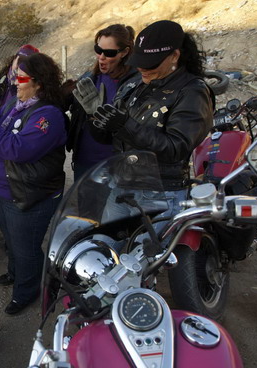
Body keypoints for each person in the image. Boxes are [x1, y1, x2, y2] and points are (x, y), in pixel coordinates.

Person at [0, 53, 67, 315]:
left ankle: (27, 291)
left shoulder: (48, 115)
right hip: (2, 188)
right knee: (12, 242)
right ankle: (16, 273)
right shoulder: (15, 105)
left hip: (27, 194)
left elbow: (18, 149)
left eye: (21, 78)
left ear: (39, 83)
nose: (15, 82)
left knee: (27, 248)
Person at [90, 20, 214, 221]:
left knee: (148, 252)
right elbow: (110, 139)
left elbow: (176, 147)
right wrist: (97, 117)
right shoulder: (134, 84)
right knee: (104, 246)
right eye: (139, 61)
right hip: (121, 187)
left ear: (174, 55)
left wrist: (125, 125)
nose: (142, 68)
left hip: (160, 194)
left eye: (151, 63)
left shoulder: (192, 92)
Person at [0, 44, 39, 256]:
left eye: (25, 65)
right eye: (18, 61)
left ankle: (11, 249)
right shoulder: (3, 87)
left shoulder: (32, 98)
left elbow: (19, 144)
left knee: (8, 203)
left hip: (11, 161)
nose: (18, 68)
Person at [67, 24, 139, 180]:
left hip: (115, 166)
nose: (101, 57)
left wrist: (100, 116)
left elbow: (134, 129)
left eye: (109, 53)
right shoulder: (89, 77)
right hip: (83, 162)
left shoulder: (136, 84)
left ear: (125, 52)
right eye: (98, 50)